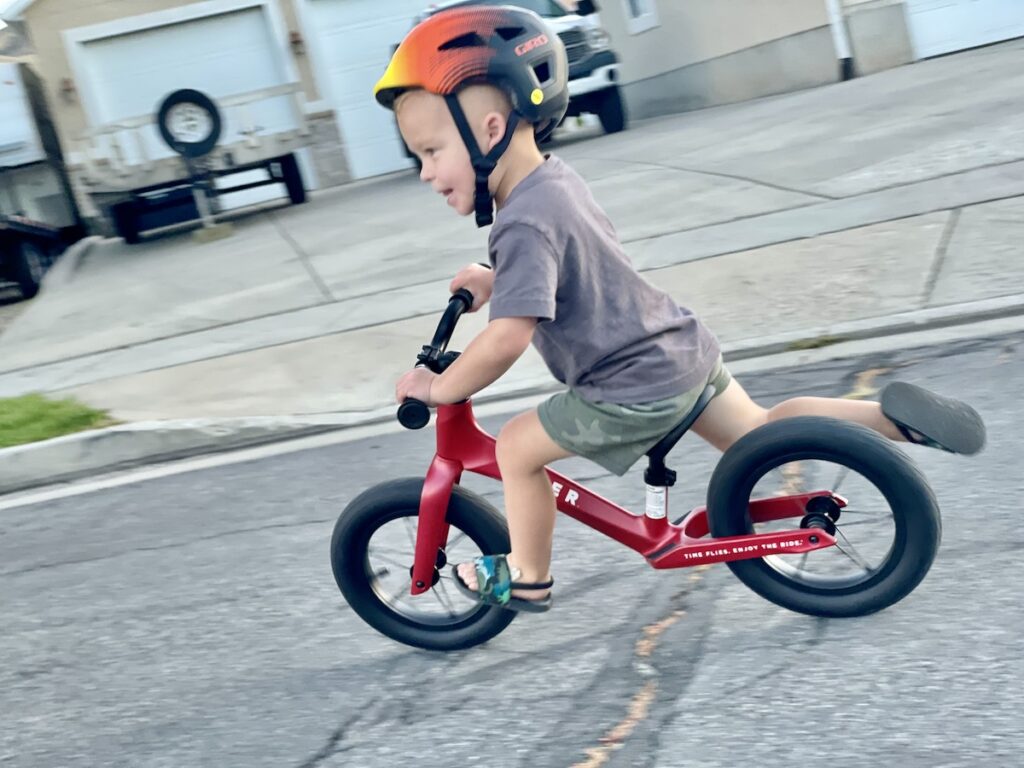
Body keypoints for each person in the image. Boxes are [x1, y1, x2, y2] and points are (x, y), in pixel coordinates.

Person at [375, 6, 986, 613]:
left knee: (515, 447)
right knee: (763, 433)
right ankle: (888, 420)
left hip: (630, 387)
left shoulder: (520, 225)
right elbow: (575, 262)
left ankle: (527, 575)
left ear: (488, 131)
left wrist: (441, 385)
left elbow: (508, 336)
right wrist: (497, 277)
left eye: (430, 151)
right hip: (681, 352)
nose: (426, 173)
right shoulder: (552, 184)